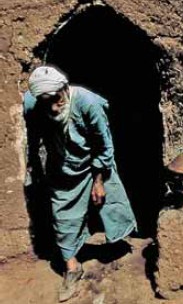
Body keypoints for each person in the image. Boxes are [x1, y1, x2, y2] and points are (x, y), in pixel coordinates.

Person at [23, 66, 137, 302]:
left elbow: (104, 145)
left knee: (111, 205)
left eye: (56, 99)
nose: (53, 107)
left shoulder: (87, 102)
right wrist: (33, 163)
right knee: (62, 217)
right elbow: (33, 137)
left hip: (95, 163)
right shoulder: (32, 104)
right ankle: (72, 267)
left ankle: (117, 249)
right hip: (62, 168)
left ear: (64, 88)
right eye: (46, 103)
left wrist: (99, 181)